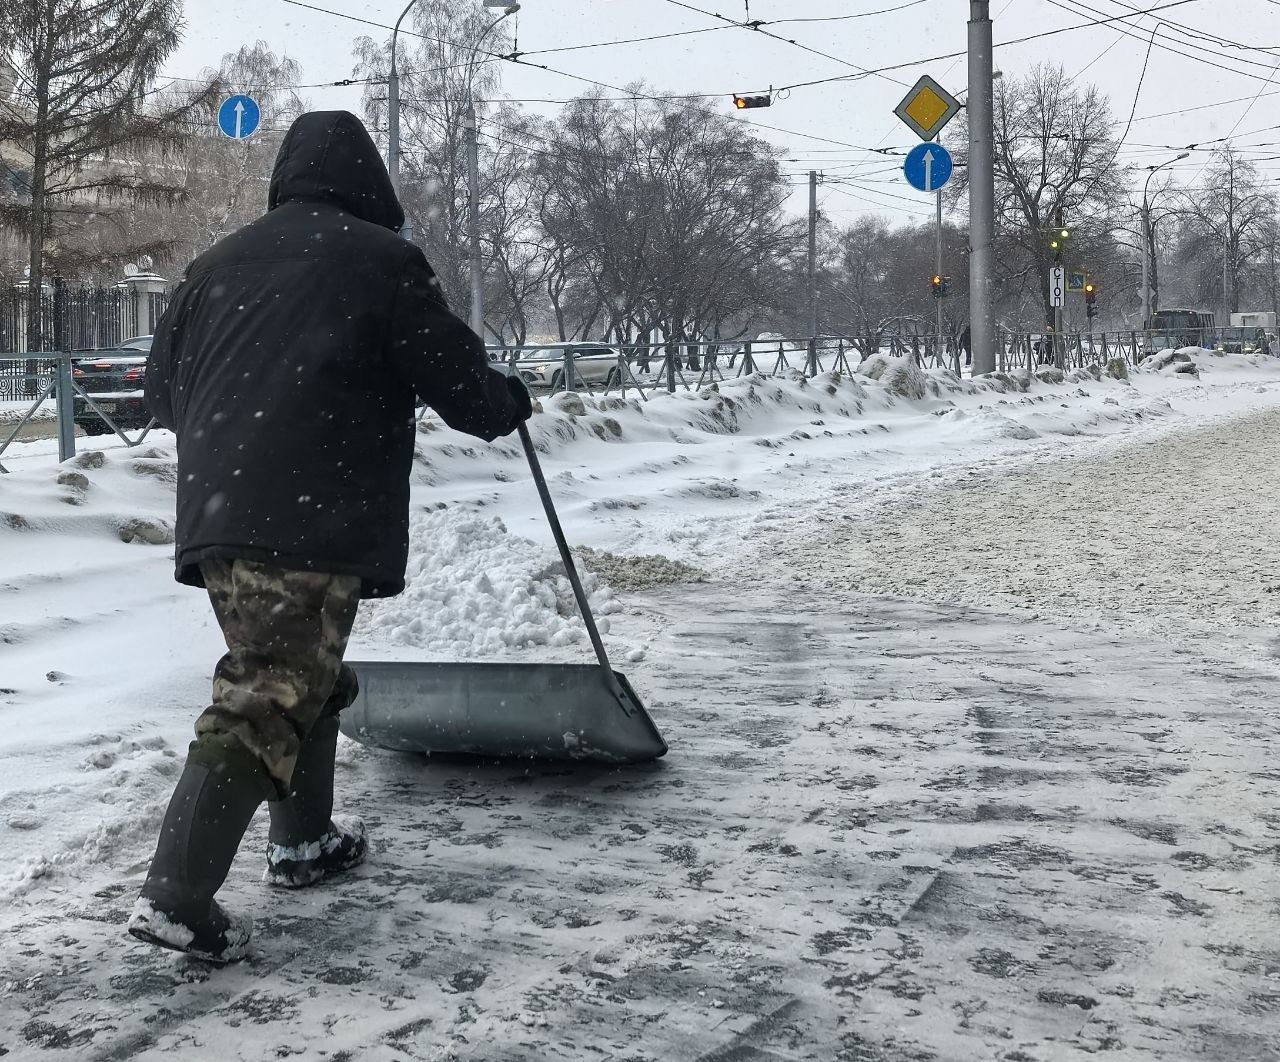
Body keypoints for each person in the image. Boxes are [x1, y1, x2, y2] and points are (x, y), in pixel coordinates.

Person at [131, 111, 531, 963]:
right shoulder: (380, 261)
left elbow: (158, 396)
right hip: (308, 513)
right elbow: (460, 384)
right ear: (368, 181)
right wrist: (506, 401)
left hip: (219, 513)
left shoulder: (215, 264)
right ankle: (177, 896)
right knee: (268, 692)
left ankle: (303, 844)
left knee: (299, 675)